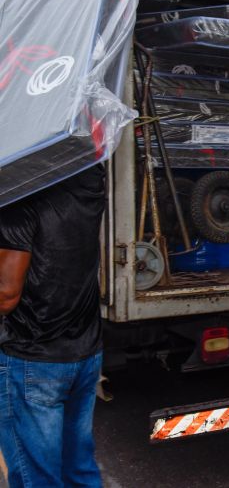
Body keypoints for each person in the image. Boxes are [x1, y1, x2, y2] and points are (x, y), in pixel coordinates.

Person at [0, 165, 106, 487]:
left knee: (38, 477)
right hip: (85, 349)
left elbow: (6, 295)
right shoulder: (90, 177)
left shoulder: (19, 196)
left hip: (33, 357)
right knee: (79, 469)